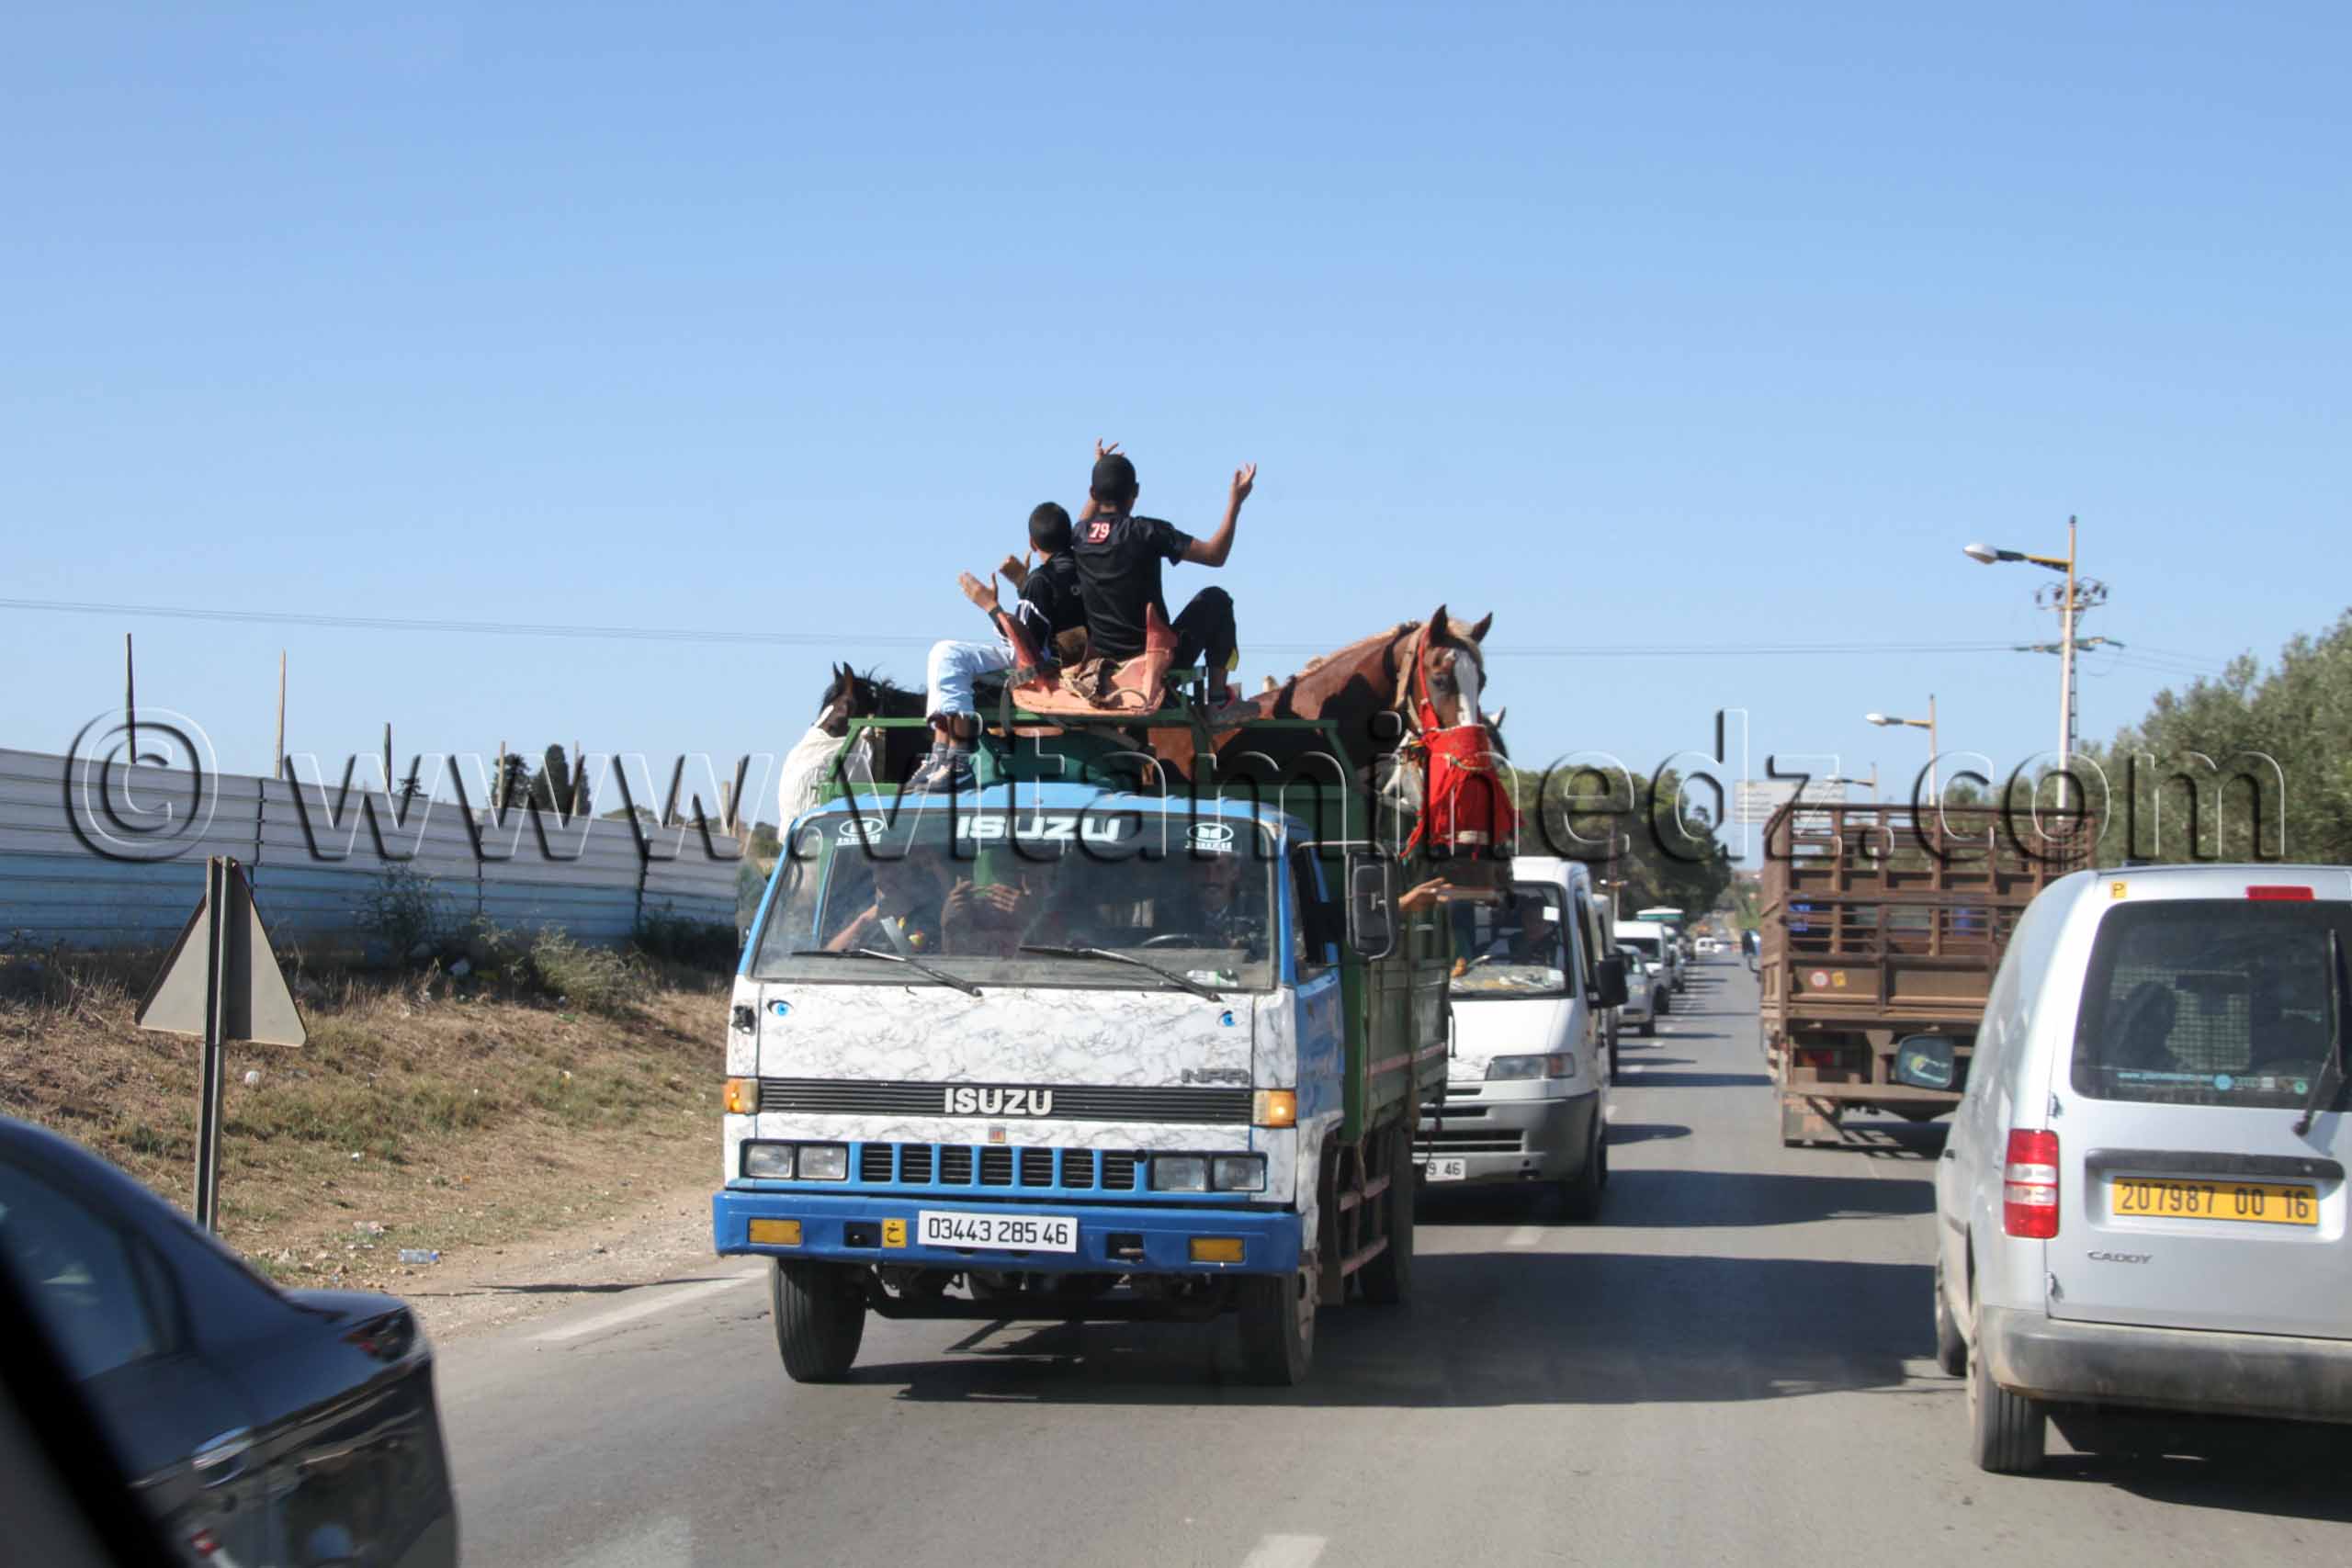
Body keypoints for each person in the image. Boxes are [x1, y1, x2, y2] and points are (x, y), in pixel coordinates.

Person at [908, 502, 1091, 792]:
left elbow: (1026, 650)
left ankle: (958, 763)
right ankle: (939, 760)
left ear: (1032, 541)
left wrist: (990, 605)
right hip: (1066, 658)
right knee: (947, 656)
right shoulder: (1088, 568)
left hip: (1041, 666)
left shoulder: (1041, 580)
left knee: (947, 654)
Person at [1072, 449, 1255, 713]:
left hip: (1104, 664)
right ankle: (1218, 701)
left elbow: (1086, 523)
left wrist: (1102, 469)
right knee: (1217, 599)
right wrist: (1235, 503)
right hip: (1157, 662)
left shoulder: (1079, 536)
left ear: (1092, 493)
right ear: (1136, 491)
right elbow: (1216, 555)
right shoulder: (1147, 532)